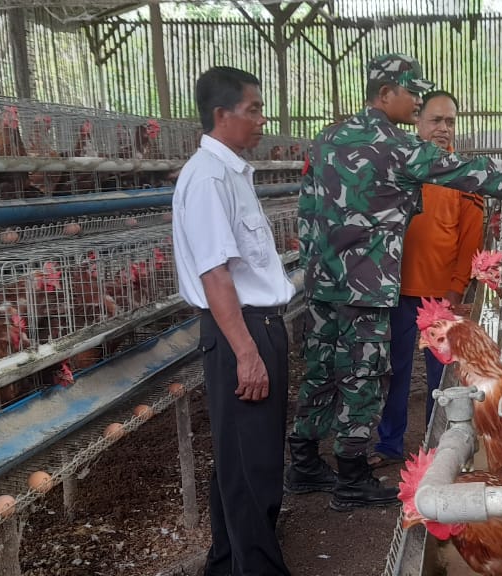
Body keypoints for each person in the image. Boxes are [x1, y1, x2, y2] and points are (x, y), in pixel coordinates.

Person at [285, 53, 502, 512]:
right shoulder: (393, 143)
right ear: (386, 95)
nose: (417, 100)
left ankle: (303, 463)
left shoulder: (328, 138)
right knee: (363, 376)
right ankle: (351, 478)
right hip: (365, 284)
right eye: (412, 93)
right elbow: (466, 171)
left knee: (322, 371)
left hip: (323, 281)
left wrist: (312, 268)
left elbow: (306, 209)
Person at [173, 66, 294, 576]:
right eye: (253, 109)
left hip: (257, 327)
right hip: (241, 330)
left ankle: (226, 564)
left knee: (244, 460)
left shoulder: (231, 173)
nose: (262, 120)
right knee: (253, 471)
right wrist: (247, 354)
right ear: (222, 115)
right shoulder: (207, 178)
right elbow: (215, 276)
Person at [371, 90, 482, 467]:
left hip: (441, 296)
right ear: (417, 123)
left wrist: (455, 288)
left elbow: (470, 239)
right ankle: (389, 444)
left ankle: (440, 449)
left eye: (450, 121)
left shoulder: (463, 177)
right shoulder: (398, 172)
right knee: (396, 368)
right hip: (398, 292)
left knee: (443, 378)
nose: (443, 128)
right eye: (435, 120)